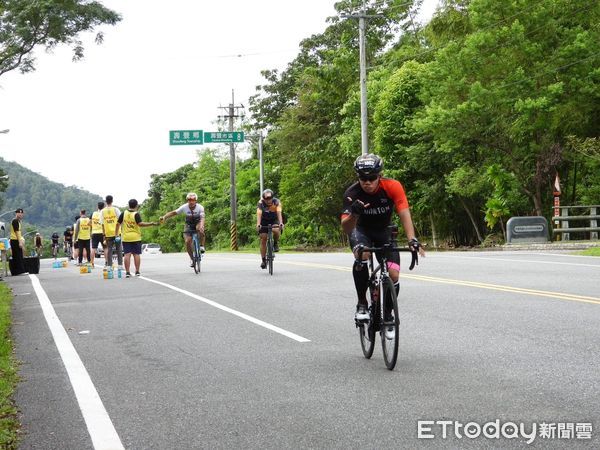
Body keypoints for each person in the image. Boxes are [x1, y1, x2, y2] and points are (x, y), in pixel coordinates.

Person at [341, 154, 424, 325]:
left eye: (372, 178)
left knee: (393, 274)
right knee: (362, 255)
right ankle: (362, 303)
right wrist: (355, 213)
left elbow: (404, 212)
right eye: (363, 178)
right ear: (358, 177)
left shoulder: (392, 186)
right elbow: (347, 228)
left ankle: (387, 313)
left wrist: (412, 239)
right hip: (360, 230)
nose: (368, 182)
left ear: (379, 175)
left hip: (383, 231)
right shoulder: (352, 193)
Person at [159, 192, 205, 267]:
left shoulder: (200, 207)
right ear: (187, 200)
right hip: (189, 224)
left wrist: (202, 226)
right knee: (187, 241)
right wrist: (164, 217)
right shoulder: (184, 207)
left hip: (198, 222)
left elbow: (202, 218)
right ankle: (192, 259)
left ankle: (201, 245)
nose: (191, 202)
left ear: (196, 200)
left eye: (193, 200)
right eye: (189, 200)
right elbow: (174, 212)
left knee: (200, 229)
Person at [115, 199, 158, 277]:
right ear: (136, 205)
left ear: (128, 205)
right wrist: (151, 223)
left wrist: (116, 234)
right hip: (136, 237)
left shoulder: (123, 213)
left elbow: (117, 224)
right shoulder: (136, 214)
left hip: (126, 237)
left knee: (127, 254)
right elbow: (140, 224)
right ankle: (137, 271)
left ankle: (127, 272)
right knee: (136, 254)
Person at [256, 189, 283, 269]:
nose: (268, 201)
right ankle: (263, 260)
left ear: (272, 197)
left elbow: (279, 213)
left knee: (276, 230)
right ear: (263, 199)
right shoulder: (260, 203)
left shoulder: (277, 202)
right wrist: (258, 224)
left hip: (274, 219)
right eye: (266, 199)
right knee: (263, 238)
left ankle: (275, 243)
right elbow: (259, 214)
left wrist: (281, 223)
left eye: (270, 198)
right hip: (264, 220)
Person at [101, 195, 123, 269]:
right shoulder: (116, 209)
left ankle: (109, 266)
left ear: (105, 201)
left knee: (109, 250)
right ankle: (120, 265)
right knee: (119, 249)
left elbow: (102, 224)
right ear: (112, 201)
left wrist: (104, 235)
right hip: (117, 233)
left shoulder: (102, 211)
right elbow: (121, 221)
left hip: (108, 233)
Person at [9, 208, 26, 275]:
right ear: (16, 213)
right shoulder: (15, 221)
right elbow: (17, 232)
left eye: (21, 213)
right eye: (19, 212)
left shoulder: (18, 221)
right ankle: (20, 271)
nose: (20, 214)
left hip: (16, 240)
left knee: (17, 256)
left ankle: (16, 271)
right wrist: (20, 242)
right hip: (15, 240)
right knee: (18, 256)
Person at [90, 201, 105, 268]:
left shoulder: (93, 213)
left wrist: (93, 227)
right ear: (103, 207)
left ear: (97, 207)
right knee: (105, 248)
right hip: (102, 233)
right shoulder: (104, 213)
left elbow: (89, 223)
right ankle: (107, 262)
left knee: (93, 248)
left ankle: (92, 263)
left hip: (94, 233)